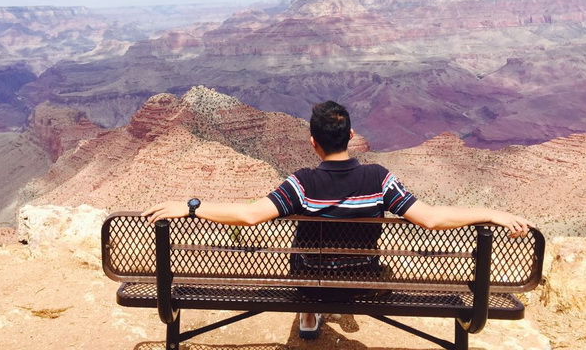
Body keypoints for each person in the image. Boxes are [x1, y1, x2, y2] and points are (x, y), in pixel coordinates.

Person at [143, 100, 533, 340]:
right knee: (370, 263)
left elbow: (248, 215)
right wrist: (491, 213)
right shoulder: (379, 177)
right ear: (351, 137)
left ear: (313, 142)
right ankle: (324, 299)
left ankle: (309, 310)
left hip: (307, 285)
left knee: (309, 261)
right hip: (362, 284)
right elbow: (429, 219)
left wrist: (191, 205)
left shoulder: (303, 182)